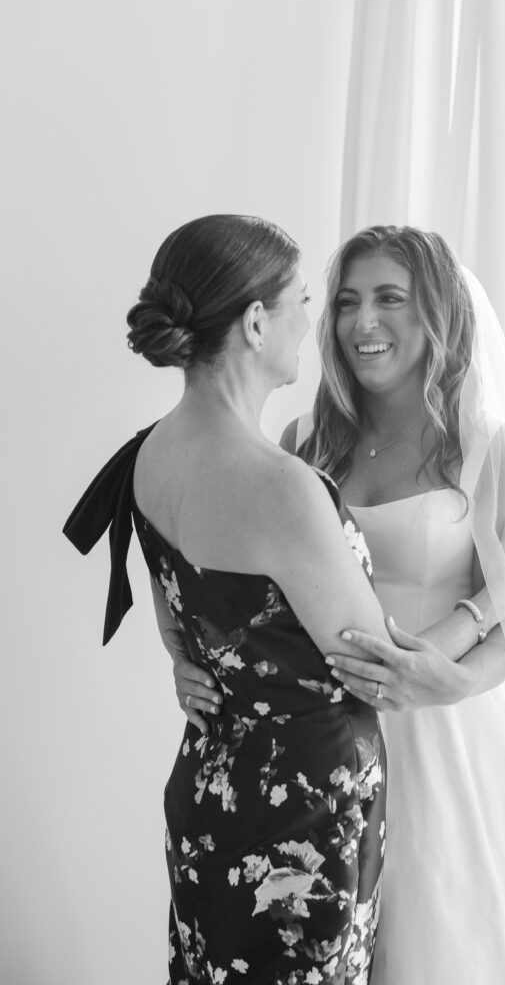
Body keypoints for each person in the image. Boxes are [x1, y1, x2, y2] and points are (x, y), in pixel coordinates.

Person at [173, 225, 505, 984]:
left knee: (439, 946)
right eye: (345, 301)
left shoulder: (492, 449)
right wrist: (187, 658)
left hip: (452, 746)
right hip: (329, 737)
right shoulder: (303, 441)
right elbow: (257, 601)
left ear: (438, 312)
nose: (360, 323)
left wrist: (461, 680)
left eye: (389, 299)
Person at [63, 215, 390, 985]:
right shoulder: (281, 489)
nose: (311, 324)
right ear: (253, 322)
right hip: (303, 819)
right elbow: (376, 670)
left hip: (210, 791)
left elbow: (181, 628)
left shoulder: (147, 455)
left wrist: (195, 669)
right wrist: (490, 613)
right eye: (302, 301)